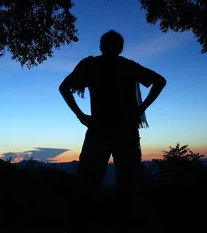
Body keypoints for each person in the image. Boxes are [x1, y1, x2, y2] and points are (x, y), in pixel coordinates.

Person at [59, 30, 167, 232]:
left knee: (89, 179)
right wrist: (140, 109)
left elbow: (64, 87)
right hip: (125, 130)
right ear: (121, 47)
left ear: (101, 46)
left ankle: (82, 222)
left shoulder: (90, 65)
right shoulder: (128, 66)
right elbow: (160, 81)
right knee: (129, 179)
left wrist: (81, 116)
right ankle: (125, 222)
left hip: (99, 129)